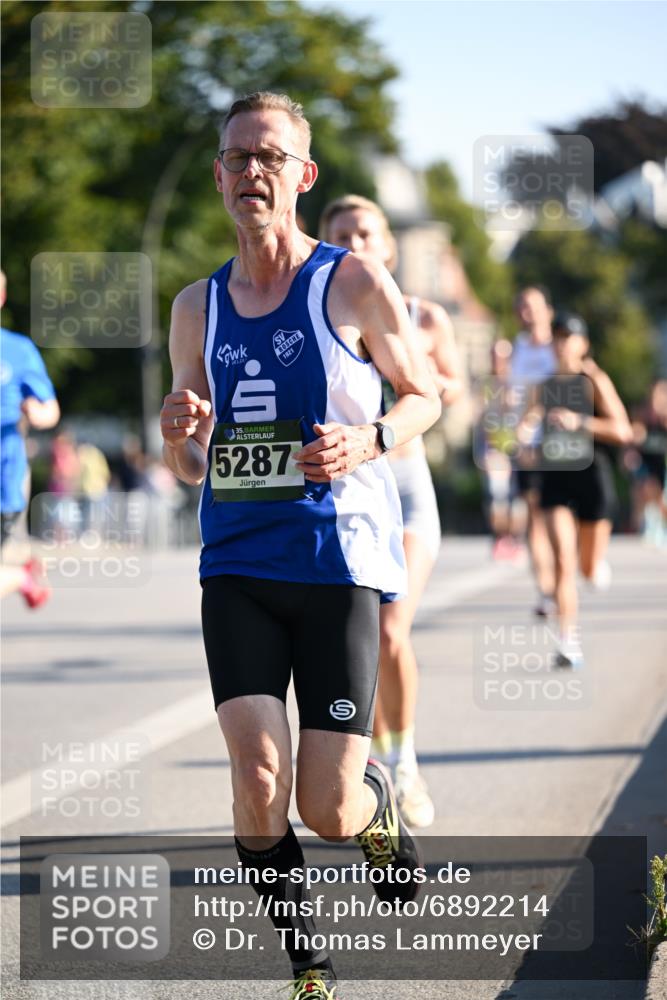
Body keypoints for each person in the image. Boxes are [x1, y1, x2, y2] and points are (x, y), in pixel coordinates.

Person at [159, 92, 440, 1000]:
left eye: (269, 158)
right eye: (237, 157)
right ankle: (307, 962)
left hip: (339, 566)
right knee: (257, 774)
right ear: (218, 175)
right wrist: (178, 431)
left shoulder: (349, 281)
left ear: (302, 175)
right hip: (236, 563)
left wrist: (372, 440)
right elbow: (191, 465)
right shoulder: (195, 307)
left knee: (325, 807)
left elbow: (427, 395)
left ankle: (377, 811)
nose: (252, 172)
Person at [319, 194, 463, 828]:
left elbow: (451, 388)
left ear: (389, 246)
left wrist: (417, 376)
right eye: (340, 234)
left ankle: (403, 762)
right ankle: (374, 765)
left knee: (388, 630)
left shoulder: (423, 316)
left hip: (403, 487)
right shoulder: (317, 312)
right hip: (347, 495)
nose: (354, 244)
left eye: (365, 233)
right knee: (356, 640)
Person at [520, 312, 632, 668]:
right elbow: (528, 421)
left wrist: (580, 422)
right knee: (563, 564)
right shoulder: (545, 384)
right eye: (558, 337)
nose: (563, 343)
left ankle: (595, 564)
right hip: (555, 477)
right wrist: (524, 435)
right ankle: (568, 643)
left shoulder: (593, 380)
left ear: (583, 343)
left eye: (570, 337)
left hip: (592, 478)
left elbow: (623, 431)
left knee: (586, 568)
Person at [0, 269, 60, 607]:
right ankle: (21, 576)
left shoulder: (17, 351)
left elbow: (51, 409)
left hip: (3, 479)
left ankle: (21, 576)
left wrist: (37, 414)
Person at [510, 286, 558, 616]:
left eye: (534, 306)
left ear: (548, 311)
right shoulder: (517, 349)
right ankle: (546, 591)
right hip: (528, 444)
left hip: (562, 443)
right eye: (523, 306)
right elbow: (507, 394)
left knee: (560, 516)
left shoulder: (562, 346)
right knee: (535, 519)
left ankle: (571, 570)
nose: (529, 312)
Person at [477, 339, 526, 562]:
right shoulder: (485, 385)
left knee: (517, 501)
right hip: (494, 450)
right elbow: (480, 419)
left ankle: (515, 540)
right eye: (494, 356)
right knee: (497, 499)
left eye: (503, 356)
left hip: (518, 449)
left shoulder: (518, 384)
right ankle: (500, 538)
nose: (498, 361)